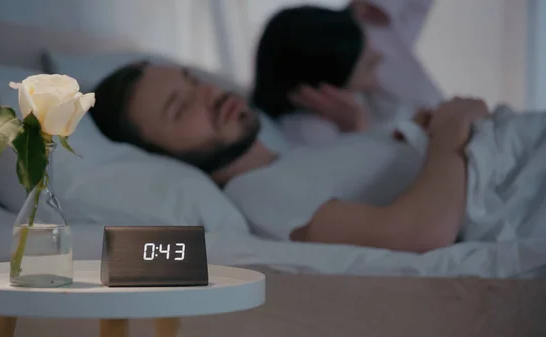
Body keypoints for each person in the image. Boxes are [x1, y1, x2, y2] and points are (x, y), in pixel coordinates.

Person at [90, 61, 546, 254]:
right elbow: (418, 232)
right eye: (181, 107)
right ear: (161, 157)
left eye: (192, 80)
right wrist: (452, 130)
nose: (209, 93)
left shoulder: (287, 159)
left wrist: (420, 135)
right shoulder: (257, 193)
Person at [251, 1, 441, 146]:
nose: (379, 57)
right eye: (367, 64)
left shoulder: (362, 37)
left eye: (370, 46)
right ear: (323, 89)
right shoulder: (310, 132)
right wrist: (357, 131)